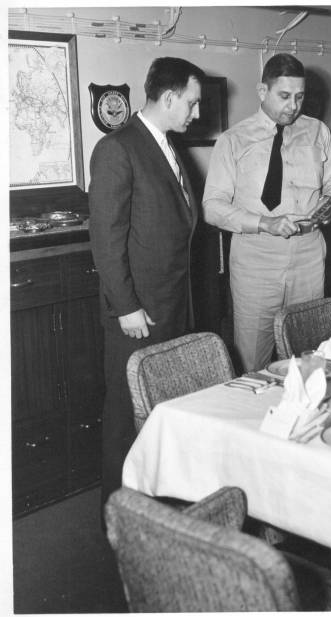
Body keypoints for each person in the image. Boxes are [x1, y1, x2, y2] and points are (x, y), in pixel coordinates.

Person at [88, 56, 205, 516]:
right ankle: (116, 520)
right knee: (124, 417)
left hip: (173, 303)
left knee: (164, 414)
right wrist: (126, 306)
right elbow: (106, 239)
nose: (196, 114)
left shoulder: (167, 145)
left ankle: (157, 512)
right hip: (137, 313)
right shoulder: (118, 148)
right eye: (192, 104)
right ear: (170, 97)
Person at [203, 53, 331, 372]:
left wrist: (329, 204)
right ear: (262, 91)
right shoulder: (232, 141)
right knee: (252, 358)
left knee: (310, 352)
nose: (293, 106)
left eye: (299, 97)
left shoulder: (318, 132)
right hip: (256, 259)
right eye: (284, 96)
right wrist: (264, 223)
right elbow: (212, 208)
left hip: (308, 255)